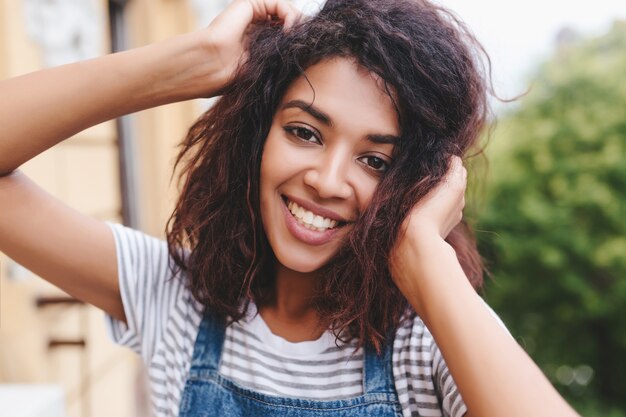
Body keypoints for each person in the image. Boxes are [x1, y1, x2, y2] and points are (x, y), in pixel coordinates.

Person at [0, 0, 580, 416]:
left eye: (376, 161)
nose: (327, 181)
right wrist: (193, 60)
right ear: (258, 135)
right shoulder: (173, 298)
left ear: (418, 186)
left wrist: (429, 264)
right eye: (305, 132)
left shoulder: (429, 345)